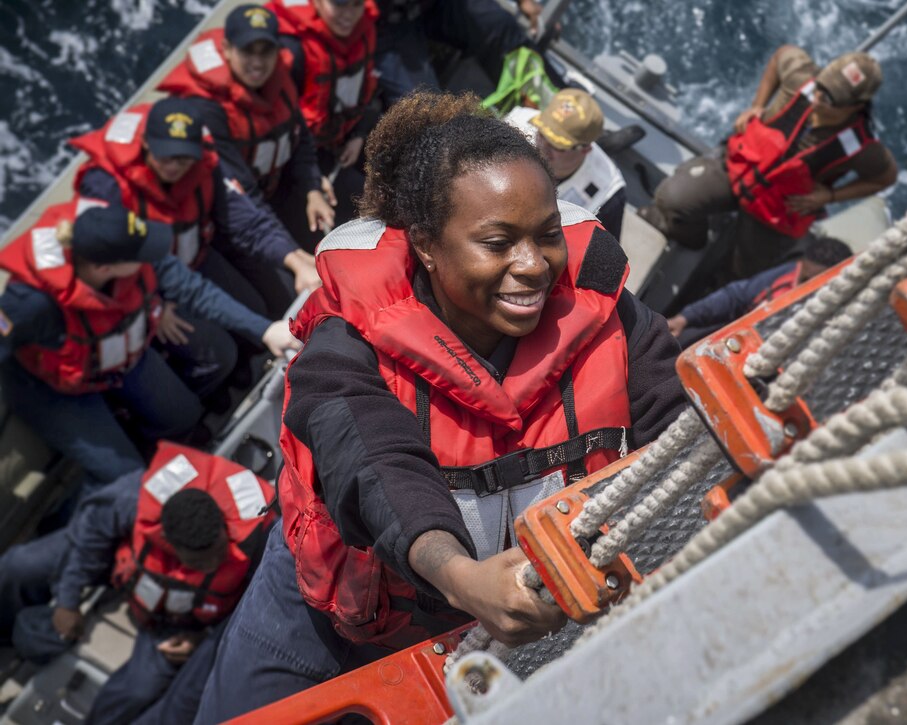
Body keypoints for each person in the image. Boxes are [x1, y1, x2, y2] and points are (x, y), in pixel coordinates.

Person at [194, 90, 686, 721]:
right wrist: (459, 576)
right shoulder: (345, 346)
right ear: (426, 246)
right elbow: (375, 464)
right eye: (498, 241)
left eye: (546, 236)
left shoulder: (613, 322)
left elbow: (677, 424)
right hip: (319, 624)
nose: (533, 265)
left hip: (488, 638)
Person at [0, 201, 298, 490]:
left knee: (183, 416)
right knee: (128, 479)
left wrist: (264, 329)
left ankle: (142, 440)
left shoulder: (127, 247)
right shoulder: (29, 303)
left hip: (115, 350)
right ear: (105, 269)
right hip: (52, 386)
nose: (153, 257)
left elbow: (194, 290)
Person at [0, 443, 277, 725]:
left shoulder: (258, 536)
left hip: (180, 620)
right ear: (167, 542)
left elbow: (260, 606)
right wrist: (67, 600)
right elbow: (90, 535)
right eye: (201, 561)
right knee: (18, 565)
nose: (213, 563)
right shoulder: (136, 495)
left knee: (137, 691)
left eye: (219, 552)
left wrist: (201, 638)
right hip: (123, 564)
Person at [638, 46, 897, 279]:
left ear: (857, 106)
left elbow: (886, 177)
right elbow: (780, 56)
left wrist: (830, 195)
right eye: (820, 88)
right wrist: (756, 106)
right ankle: (694, 240)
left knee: (743, 272)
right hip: (738, 168)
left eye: (830, 100)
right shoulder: (799, 78)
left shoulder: (863, 149)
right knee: (672, 198)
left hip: (777, 211)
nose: (817, 100)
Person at [70, 96, 321, 319]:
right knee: (221, 355)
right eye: (165, 156)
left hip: (196, 257)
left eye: (183, 158)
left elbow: (247, 222)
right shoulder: (107, 188)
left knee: (266, 302)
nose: (174, 167)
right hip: (149, 282)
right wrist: (152, 306)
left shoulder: (205, 166)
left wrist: (296, 261)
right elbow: (104, 259)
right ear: (146, 143)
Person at [157, 4, 336, 238]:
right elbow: (241, 193)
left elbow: (299, 137)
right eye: (247, 51)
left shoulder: (280, 79)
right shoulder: (209, 110)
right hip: (242, 223)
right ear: (227, 50)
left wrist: (312, 189)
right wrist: (292, 255)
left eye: (266, 51)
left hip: (280, 189)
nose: (258, 62)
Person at [266, 0, 380, 246]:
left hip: (348, 137)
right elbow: (287, 127)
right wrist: (313, 177)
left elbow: (369, 84)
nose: (347, 15)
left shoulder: (365, 30)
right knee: (367, 202)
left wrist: (359, 134)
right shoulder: (294, 51)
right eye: (338, 5)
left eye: (355, 5)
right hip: (306, 160)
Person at [667, 235, 853, 347]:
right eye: (804, 277)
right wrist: (685, 318)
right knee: (673, 342)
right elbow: (736, 296)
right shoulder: (787, 273)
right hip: (732, 337)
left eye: (815, 283)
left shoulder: (836, 317)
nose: (804, 285)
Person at [506, 88, 627, 239]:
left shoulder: (607, 192)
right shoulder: (514, 124)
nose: (543, 146)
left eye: (557, 145)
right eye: (542, 134)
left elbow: (599, 256)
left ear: (586, 148)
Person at [372, 0, 539, 106]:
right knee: (427, 108)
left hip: (430, 7)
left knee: (500, 26)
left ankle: (549, 107)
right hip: (381, 22)